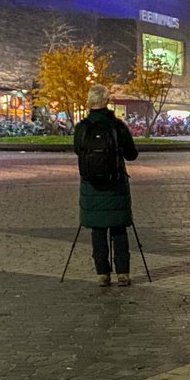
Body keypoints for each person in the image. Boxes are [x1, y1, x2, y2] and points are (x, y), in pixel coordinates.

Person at [74, 83, 140, 287]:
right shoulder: (118, 126)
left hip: (91, 185)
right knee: (119, 228)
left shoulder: (82, 128)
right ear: (107, 101)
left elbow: (78, 151)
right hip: (116, 183)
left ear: (89, 102)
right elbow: (132, 154)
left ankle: (102, 274)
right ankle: (123, 273)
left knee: (98, 229)